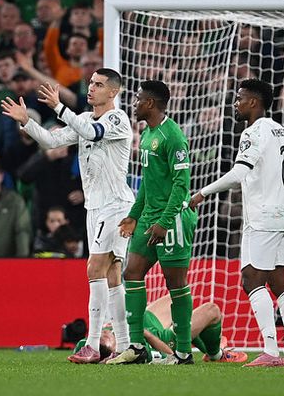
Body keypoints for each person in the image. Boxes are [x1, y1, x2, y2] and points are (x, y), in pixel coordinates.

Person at [0, 68, 134, 364]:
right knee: (112, 274)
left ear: (113, 92)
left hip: (115, 205)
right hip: (96, 207)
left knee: (94, 267)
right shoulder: (83, 119)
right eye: (91, 83)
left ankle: (93, 344)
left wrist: (59, 107)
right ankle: (126, 345)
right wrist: (26, 122)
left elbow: (94, 133)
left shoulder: (117, 119)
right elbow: (51, 142)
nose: (92, 88)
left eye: (99, 85)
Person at [189, 79, 284, 368]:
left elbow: (239, 173)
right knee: (281, 284)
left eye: (239, 98)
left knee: (252, 280)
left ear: (253, 102)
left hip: (263, 218)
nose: (235, 103)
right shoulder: (283, 132)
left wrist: (203, 192)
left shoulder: (252, 132)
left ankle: (271, 351)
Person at [106, 80, 198, 365]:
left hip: (172, 219)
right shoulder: (147, 134)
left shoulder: (173, 136)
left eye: (137, 99)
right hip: (148, 218)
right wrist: (135, 215)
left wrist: (165, 222)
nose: (133, 104)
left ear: (150, 103)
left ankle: (183, 352)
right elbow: (148, 182)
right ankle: (137, 347)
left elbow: (181, 185)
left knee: (175, 283)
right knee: (132, 273)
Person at [72, 294, 248, 364]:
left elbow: (79, 352)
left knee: (178, 299)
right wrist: (144, 333)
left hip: (149, 318)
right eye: (105, 338)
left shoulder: (90, 343)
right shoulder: (132, 351)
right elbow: (168, 354)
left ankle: (206, 342)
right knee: (212, 310)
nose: (104, 333)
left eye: (101, 334)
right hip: (162, 336)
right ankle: (216, 353)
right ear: (111, 350)